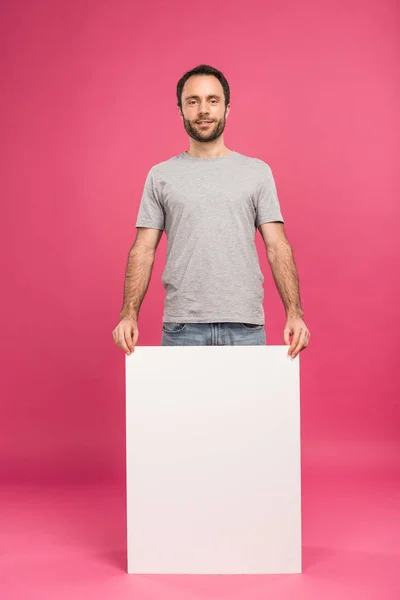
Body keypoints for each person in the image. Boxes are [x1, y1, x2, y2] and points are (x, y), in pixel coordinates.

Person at [113, 64, 310, 357]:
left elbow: (276, 245)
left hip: (245, 327)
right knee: (181, 406)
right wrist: (128, 314)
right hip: (182, 328)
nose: (203, 109)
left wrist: (295, 313)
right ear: (180, 111)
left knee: (247, 406)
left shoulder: (256, 172)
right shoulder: (161, 175)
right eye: (193, 101)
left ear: (227, 109)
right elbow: (144, 248)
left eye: (212, 100)